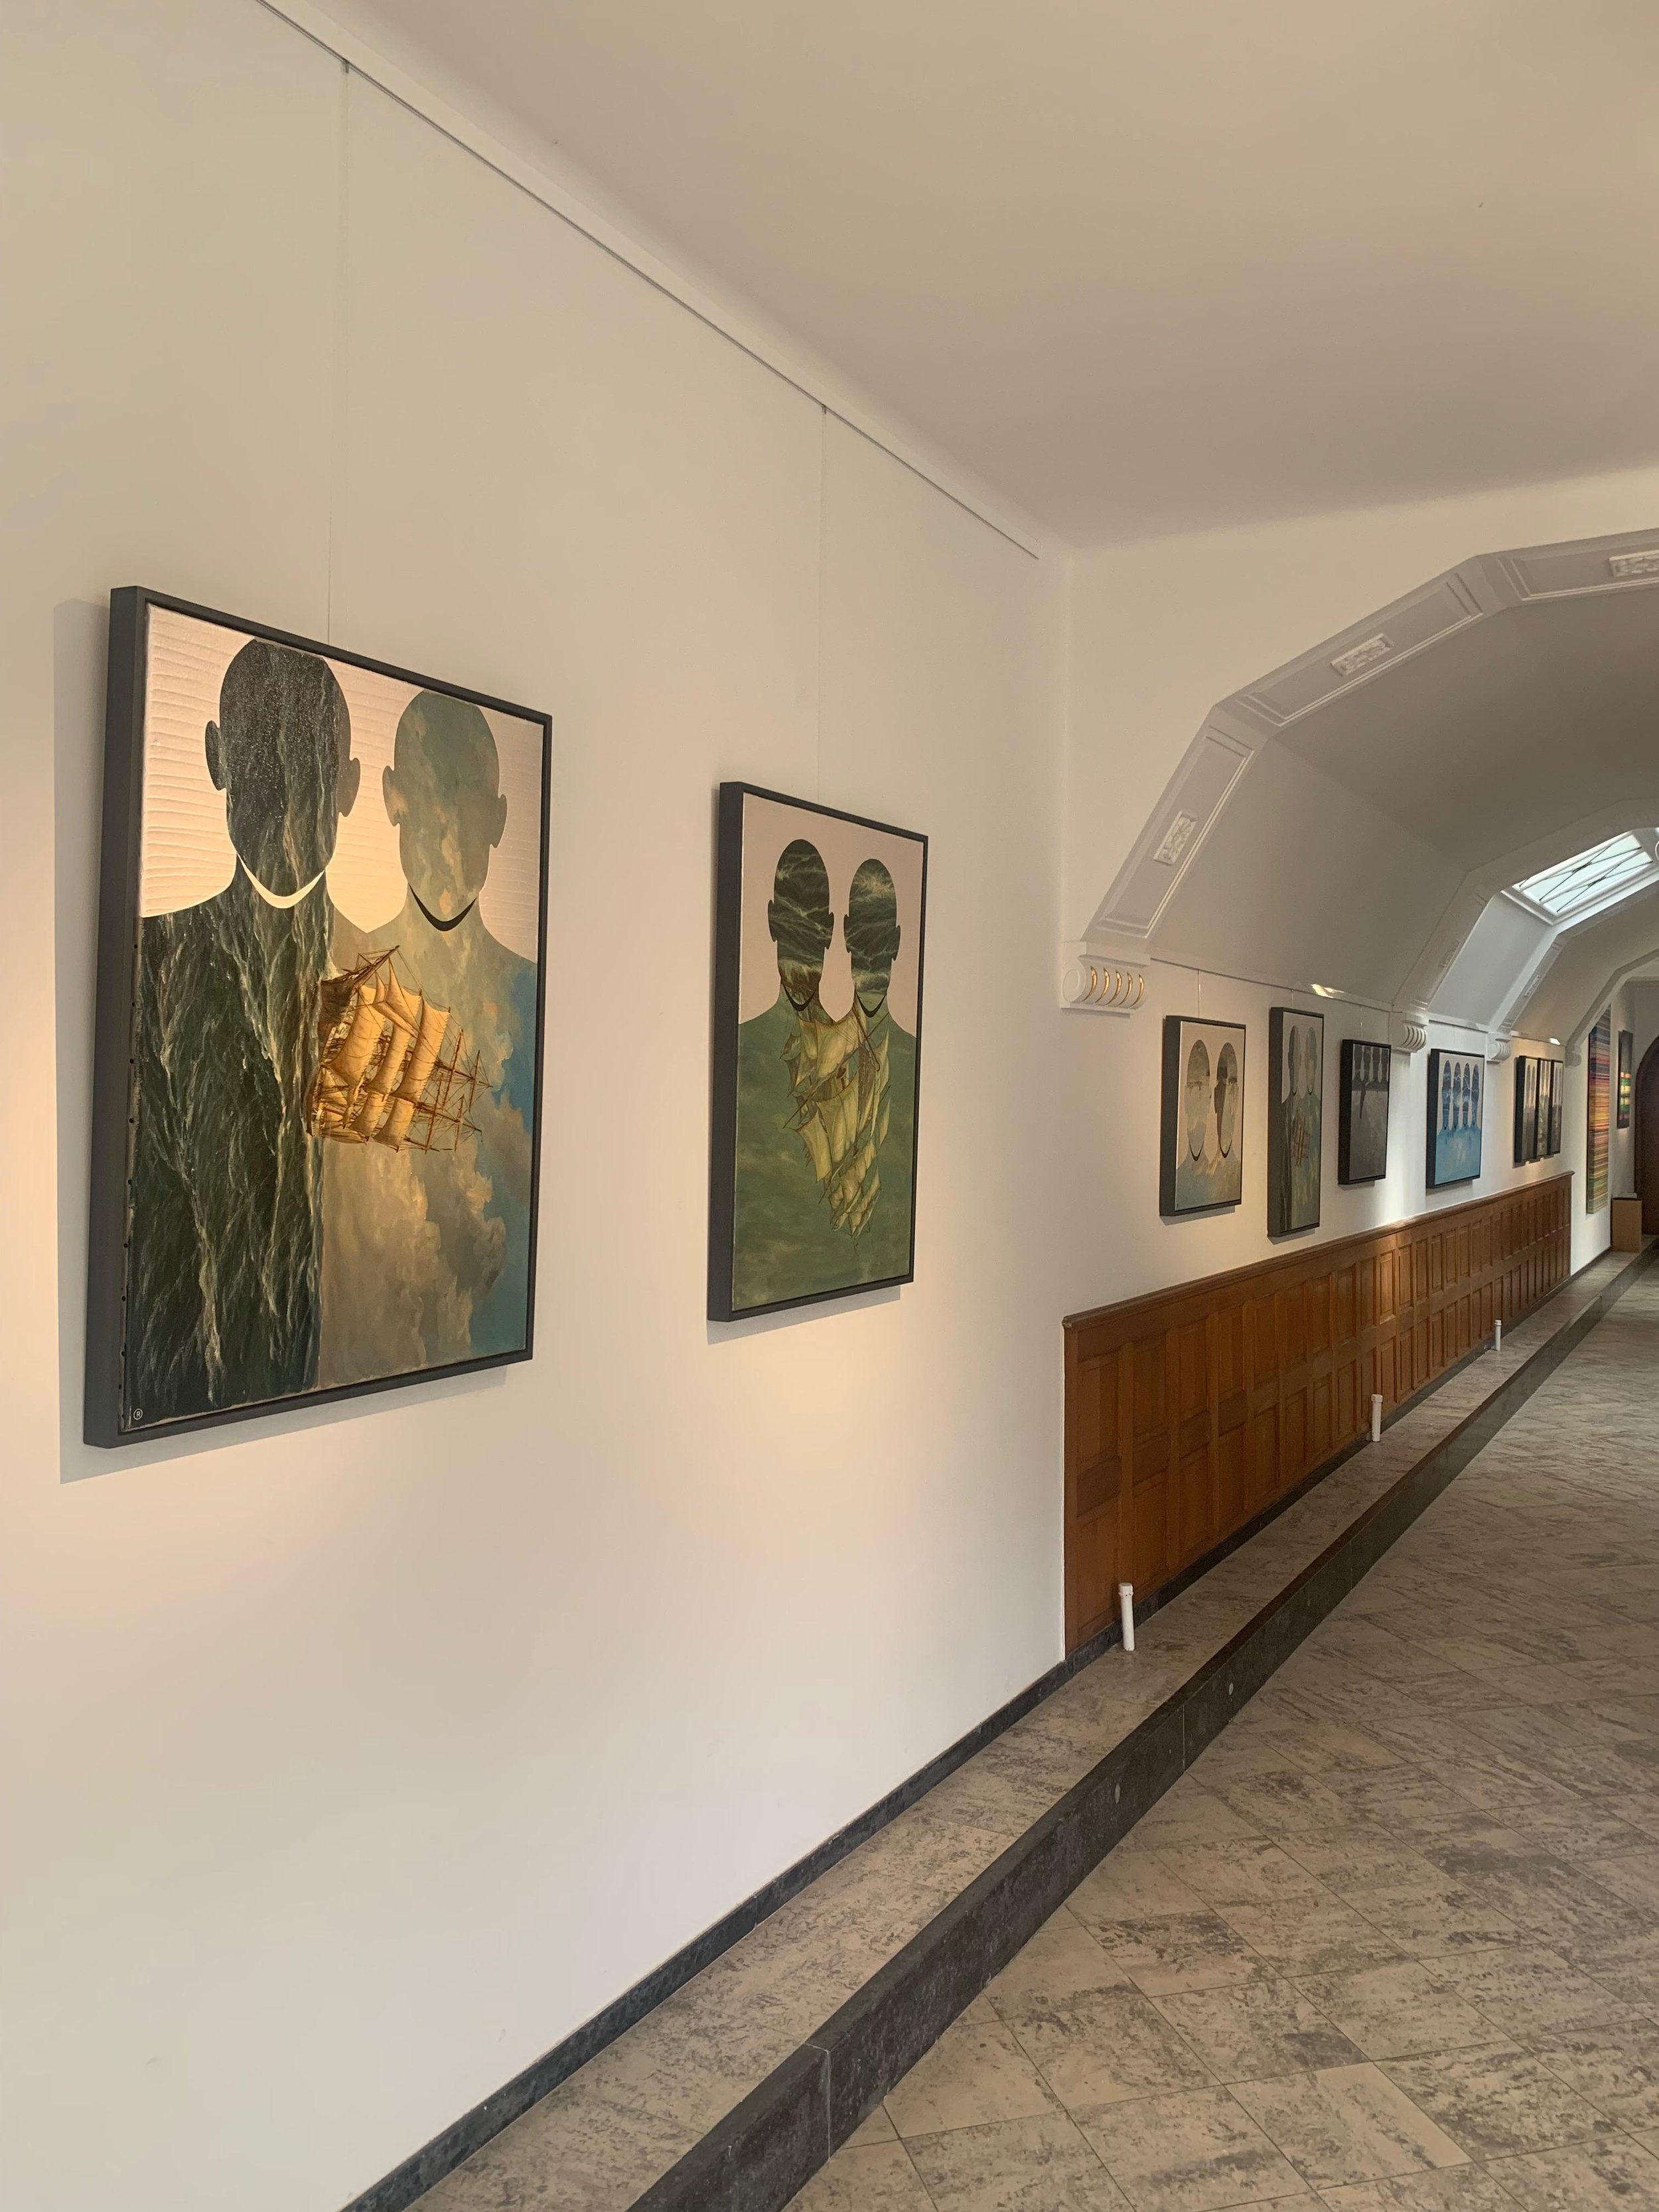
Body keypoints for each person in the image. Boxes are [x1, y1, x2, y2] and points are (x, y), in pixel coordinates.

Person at [125, 638, 359, 1427]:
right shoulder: (149, 961)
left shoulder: (151, 959)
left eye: (304, 760)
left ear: (214, 756)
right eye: (271, 752)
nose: (285, 789)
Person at [321, 692, 537, 1383]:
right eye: (427, 787)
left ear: (499, 818)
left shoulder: (532, 993)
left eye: (467, 796)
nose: (446, 821)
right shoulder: (342, 970)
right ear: (390, 797)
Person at [730, 842, 915, 1309]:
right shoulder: (750, 1053)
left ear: (837, 932)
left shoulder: (859, 1060)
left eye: (814, 929)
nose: (805, 950)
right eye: (796, 927)